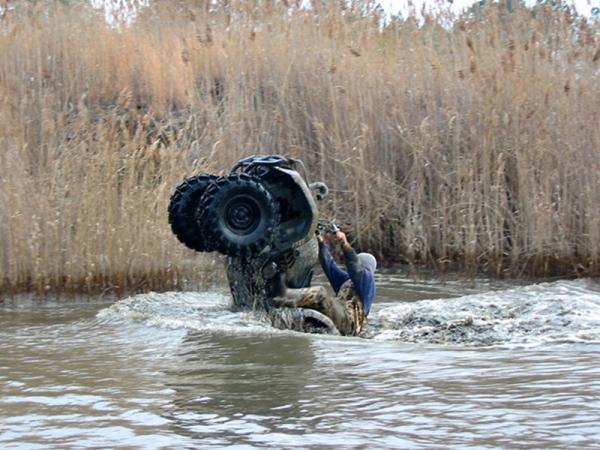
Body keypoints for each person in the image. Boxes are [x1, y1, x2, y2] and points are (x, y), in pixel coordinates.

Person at [271, 230, 377, 336]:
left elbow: (354, 265)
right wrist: (320, 243)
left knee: (320, 294)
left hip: (349, 323)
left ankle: (282, 296)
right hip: (340, 315)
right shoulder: (347, 281)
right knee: (311, 304)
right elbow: (329, 266)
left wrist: (344, 243)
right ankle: (280, 308)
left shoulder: (368, 282)